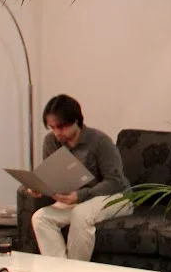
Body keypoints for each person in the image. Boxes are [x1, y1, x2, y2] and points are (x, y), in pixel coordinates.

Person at [27, 94, 131, 261]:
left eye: (61, 127)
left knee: (81, 214)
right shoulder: (51, 142)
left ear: (76, 121)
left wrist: (80, 195)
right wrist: (41, 187)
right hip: (78, 200)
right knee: (41, 218)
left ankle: (76, 271)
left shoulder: (100, 141)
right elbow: (51, 174)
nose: (56, 133)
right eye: (52, 127)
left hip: (115, 197)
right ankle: (60, 271)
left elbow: (115, 181)